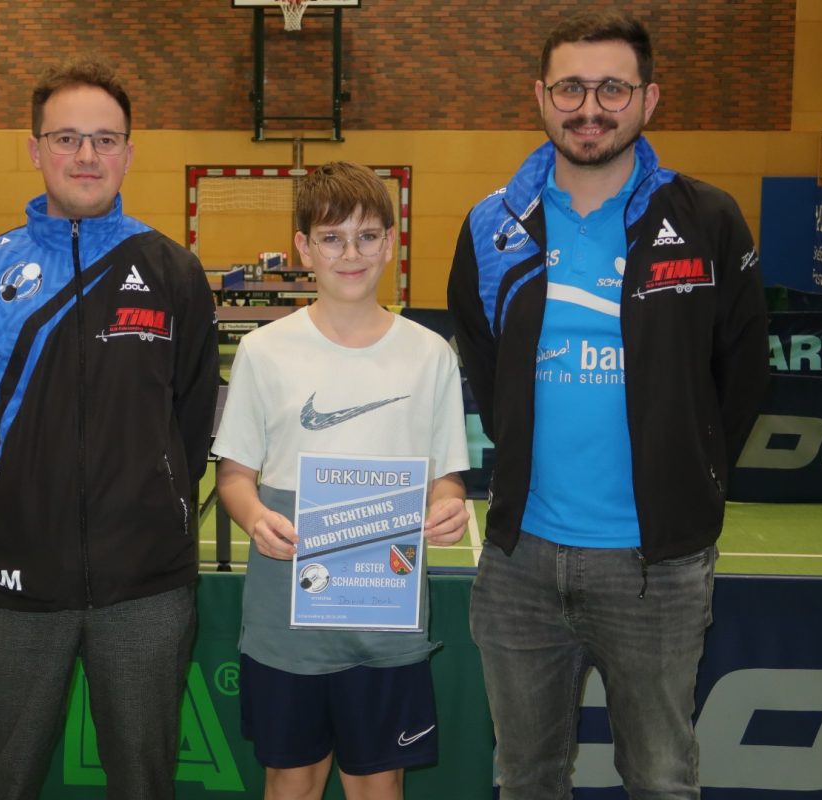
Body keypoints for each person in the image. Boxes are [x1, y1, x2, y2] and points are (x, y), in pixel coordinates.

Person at [447, 11, 770, 798]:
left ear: (649, 99)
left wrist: (686, 475)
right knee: (526, 777)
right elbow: (483, 364)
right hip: (520, 562)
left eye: (613, 89)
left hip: (657, 568)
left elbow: (741, 376)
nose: (589, 108)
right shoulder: (494, 226)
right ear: (541, 96)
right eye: (570, 88)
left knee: (661, 778)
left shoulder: (707, 219)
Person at [0, 58, 219, 800]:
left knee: (145, 783)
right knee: (1, 781)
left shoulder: (174, 271)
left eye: (105, 139)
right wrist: (13, 498)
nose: (87, 155)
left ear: (128, 152)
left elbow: (192, 415)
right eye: (67, 138)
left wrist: (157, 500)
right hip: (16, 579)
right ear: (35, 149)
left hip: (147, 583)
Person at [213, 160, 471, 800]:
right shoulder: (264, 351)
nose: (350, 254)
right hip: (286, 612)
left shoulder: (430, 354)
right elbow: (236, 475)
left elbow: (447, 480)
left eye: (366, 236)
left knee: (378, 784)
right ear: (304, 247)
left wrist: (447, 508)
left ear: (389, 242)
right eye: (332, 238)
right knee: (291, 780)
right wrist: (255, 517)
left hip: (386, 612)